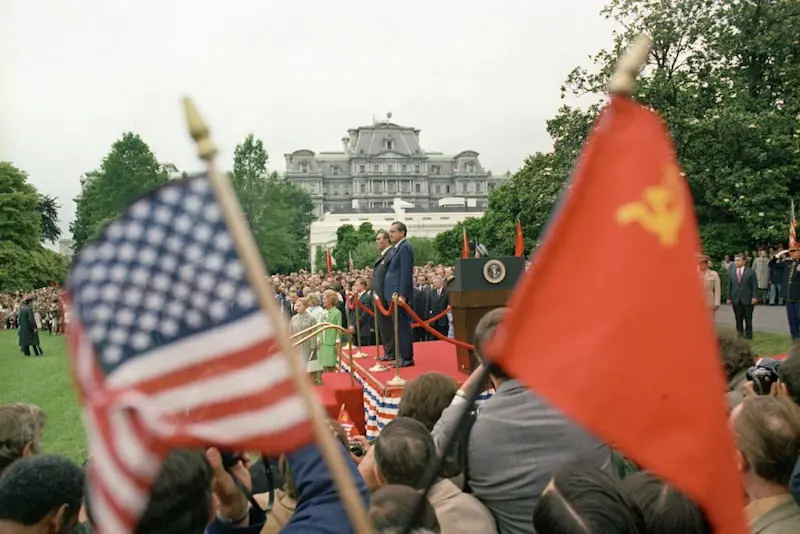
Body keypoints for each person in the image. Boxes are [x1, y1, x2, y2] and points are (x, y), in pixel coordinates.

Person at [383, 221, 415, 367]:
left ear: (402, 232)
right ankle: (401, 356)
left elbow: (406, 272)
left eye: (393, 231)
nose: (390, 234)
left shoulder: (405, 247)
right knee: (397, 326)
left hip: (398, 294)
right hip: (392, 293)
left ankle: (407, 357)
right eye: (390, 232)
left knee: (402, 326)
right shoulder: (397, 248)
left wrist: (402, 294)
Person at [373, 230, 395, 363]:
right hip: (379, 298)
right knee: (383, 327)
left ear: (387, 240)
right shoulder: (381, 256)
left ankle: (392, 352)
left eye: (379, 239)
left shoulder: (390, 254)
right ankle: (387, 351)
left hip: (386, 298)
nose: (377, 242)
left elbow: (390, 277)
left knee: (388, 327)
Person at [289, 297, 323, 385]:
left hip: (307, 345)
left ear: (305, 306)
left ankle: (311, 381)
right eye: (296, 306)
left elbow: (314, 333)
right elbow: (291, 332)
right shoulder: (293, 318)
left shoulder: (311, 318)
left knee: (308, 364)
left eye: (299, 306)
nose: (297, 308)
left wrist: (313, 346)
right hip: (297, 344)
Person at [769, 245, 800, 340]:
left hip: (799, 296)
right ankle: (795, 337)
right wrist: (779, 254)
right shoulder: (787, 263)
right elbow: (771, 265)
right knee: (792, 319)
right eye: (790, 251)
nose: (791, 253)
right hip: (789, 296)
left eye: (794, 251)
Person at [727, 253, 758, 339]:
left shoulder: (751, 272)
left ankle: (748, 335)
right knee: (738, 319)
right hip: (736, 299)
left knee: (748, 318)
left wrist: (754, 297)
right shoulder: (731, 272)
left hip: (747, 298)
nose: (736, 262)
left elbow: (754, 285)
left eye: (738, 260)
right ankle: (739, 335)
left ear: (744, 261)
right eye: (735, 260)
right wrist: (728, 298)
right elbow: (729, 286)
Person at [318, 289, 342, 372]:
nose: (323, 301)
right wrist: (318, 339)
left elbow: (338, 328)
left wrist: (337, 342)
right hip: (322, 342)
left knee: (331, 365)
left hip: (331, 343)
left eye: (325, 299)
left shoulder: (337, 312)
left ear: (331, 300)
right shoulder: (323, 312)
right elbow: (319, 327)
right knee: (323, 365)